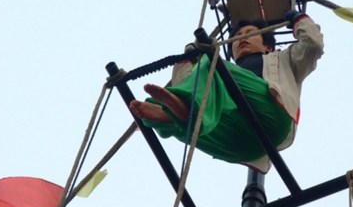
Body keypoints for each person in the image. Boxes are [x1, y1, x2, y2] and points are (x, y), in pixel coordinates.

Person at [129, 13, 324, 173]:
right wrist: (187, 60)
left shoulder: (283, 59)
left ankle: (179, 112)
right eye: (237, 36)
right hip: (240, 145)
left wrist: (300, 20)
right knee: (200, 98)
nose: (242, 38)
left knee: (211, 63)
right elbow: (188, 81)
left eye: (250, 33)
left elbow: (313, 45)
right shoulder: (216, 78)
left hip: (272, 119)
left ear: (268, 46)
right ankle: (178, 114)